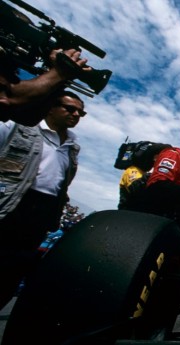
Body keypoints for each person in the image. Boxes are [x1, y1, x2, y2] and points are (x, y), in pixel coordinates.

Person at [0, 89, 85, 310]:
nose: (76, 115)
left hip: (40, 215)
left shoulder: (72, 147)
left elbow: (61, 183)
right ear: (51, 107)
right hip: (12, 206)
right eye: (70, 109)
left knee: (12, 273)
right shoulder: (19, 129)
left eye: (80, 113)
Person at [117, 142, 172, 211]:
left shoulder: (146, 172)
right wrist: (154, 174)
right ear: (155, 157)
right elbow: (135, 188)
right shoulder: (132, 169)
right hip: (129, 214)